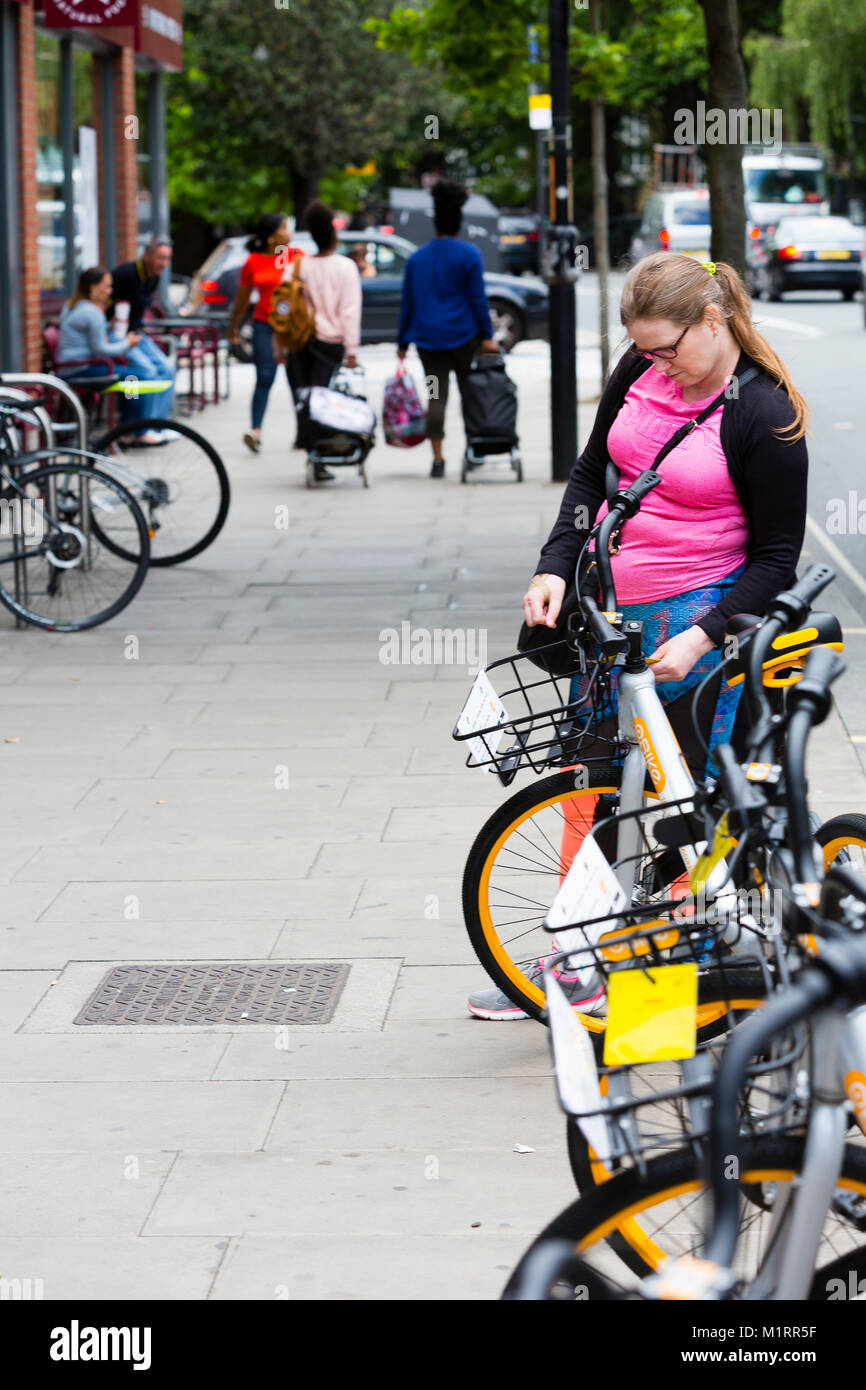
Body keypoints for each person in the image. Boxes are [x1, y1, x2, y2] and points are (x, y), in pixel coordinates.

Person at [467, 252, 809, 1020]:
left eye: (668, 349)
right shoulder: (639, 369)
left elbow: (778, 559)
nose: (657, 364)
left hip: (697, 629)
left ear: (713, 321)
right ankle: (569, 961)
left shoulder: (765, 413)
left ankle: (678, 996)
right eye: (646, 350)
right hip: (610, 619)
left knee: (691, 809)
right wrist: (556, 565)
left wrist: (706, 634)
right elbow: (592, 475)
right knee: (589, 790)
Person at [397, 179, 499, 478]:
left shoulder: (417, 258)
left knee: (436, 397)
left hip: (428, 340)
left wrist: (402, 341)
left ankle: (438, 460)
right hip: (464, 337)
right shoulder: (469, 255)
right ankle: (473, 451)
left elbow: (408, 302)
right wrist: (487, 337)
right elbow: (478, 300)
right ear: (459, 223)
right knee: (471, 394)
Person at [57, 267, 164, 447]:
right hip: (82, 368)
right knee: (136, 378)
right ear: (93, 287)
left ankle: (127, 429)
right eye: (106, 287)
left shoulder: (72, 305)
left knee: (132, 377)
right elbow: (101, 350)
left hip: (72, 365)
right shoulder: (92, 312)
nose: (110, 291)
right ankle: (136, 431)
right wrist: (127, 344)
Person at [293, 200, 362, 482]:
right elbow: (349, 311)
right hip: (330, 343)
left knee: (304, 398)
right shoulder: (345, 267)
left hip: (300, 342)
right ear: (334, 235)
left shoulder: (298, 267)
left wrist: (280, 346)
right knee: (323, 400)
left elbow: (284, 306)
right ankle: (320, 456)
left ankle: (310, 450)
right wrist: (352, 349)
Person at [228, 213, 305, 454]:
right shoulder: (253, 261)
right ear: (272, 237)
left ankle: (304, 433)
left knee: (297, 381)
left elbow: (296, 286)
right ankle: (256, 431)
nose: (289, 232)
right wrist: (233, 328)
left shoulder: (292, 258)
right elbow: (241, 300)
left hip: (290, 328)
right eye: (284, 228)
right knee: (264, 376)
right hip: (263, 325)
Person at [109, 238, 176, 432]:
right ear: (147, 255)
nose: (164, 263)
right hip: (117, 335)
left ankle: (157, 426)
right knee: (146, 373)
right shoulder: (126, 274)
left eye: (167, 259)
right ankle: (139, 429)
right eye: (160, 258)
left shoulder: (154, 277)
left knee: (167, 369)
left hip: (137, 334)